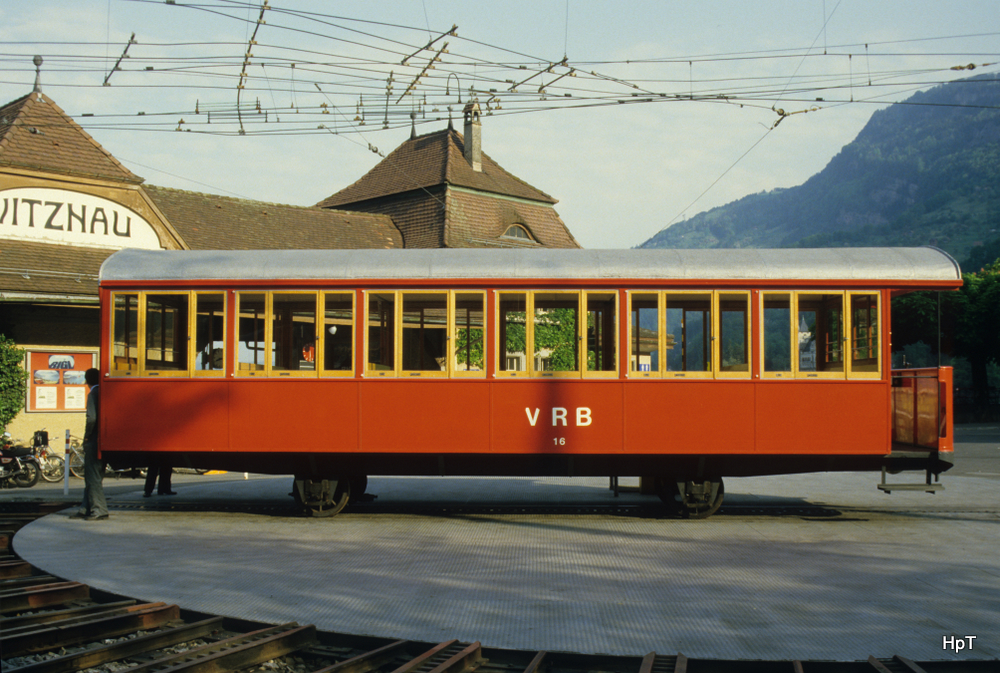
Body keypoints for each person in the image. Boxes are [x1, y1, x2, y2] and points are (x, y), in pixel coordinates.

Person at [71, 368, 108, 521]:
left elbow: (91, 418)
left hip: (94, 441)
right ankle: (85, 508)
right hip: (104, 439)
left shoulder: (93, 394)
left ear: (87, 381)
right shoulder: (104, 392)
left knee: (92, 477)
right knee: (95, 476)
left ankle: (99, 510)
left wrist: (86, 437)